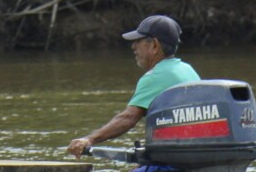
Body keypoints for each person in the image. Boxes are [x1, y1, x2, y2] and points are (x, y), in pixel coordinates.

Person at [67, 15, 203, 157]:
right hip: (192, 152)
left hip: (176, 157)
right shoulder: (187, 69)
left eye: (138, 41)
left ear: (154, 45)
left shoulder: (154, 77)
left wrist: (89, 139)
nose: (133, 46)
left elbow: (128, 118)